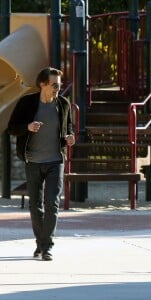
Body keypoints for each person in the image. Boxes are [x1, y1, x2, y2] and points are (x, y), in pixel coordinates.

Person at [8, 67, 75, 261]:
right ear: (42, 84)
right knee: (35, 206)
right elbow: (12, 128)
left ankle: (47, 247)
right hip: (33, 161)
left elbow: (68, 127)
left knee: (52, 203)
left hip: (55, 160)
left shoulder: (63, 104)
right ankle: (40, 243)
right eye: (54, 85)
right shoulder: (27, 103)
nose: (57, 89)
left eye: (59, 86)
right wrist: (27, 127)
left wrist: (69, 138)